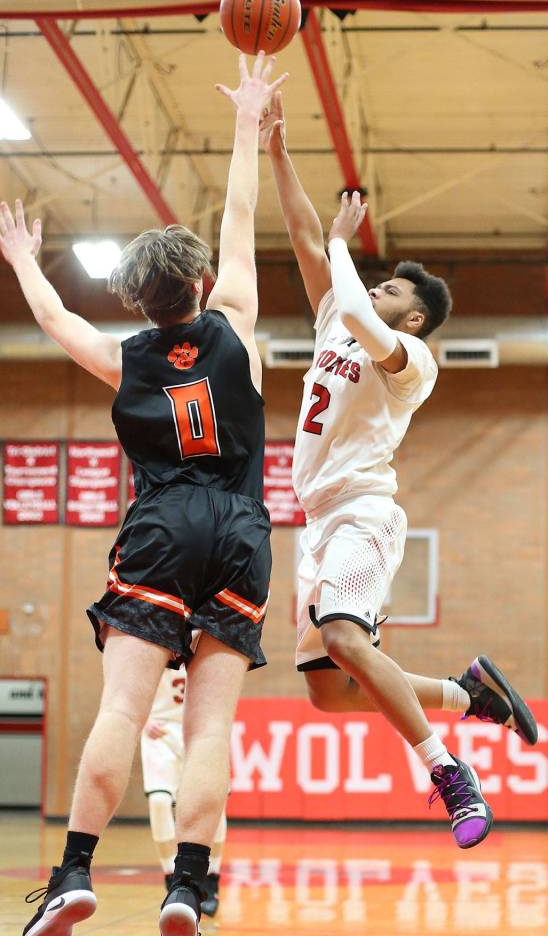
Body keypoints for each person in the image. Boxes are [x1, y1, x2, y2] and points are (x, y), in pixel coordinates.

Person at [6, 51, 285, 936]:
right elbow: (239, 214)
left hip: (160, 525)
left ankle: (75, 876)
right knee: (207, 730)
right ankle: (187, 888)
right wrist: (248, 118)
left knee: (124, 710)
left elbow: (54, 319)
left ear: (139, 299)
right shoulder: (235, 321)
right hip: (241, 528)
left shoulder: (119, 356)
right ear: (200, 286)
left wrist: (22, 257)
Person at [261, 92, 538, 850]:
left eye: (392, 292)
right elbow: (304, 240)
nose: (375, 292)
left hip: (363, 513)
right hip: (317, 522)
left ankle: (447, 770)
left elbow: (352, 305)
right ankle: (470, 696)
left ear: (413, 318)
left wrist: (349, 249)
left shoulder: (411, 359)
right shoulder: (336, 317)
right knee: (328, 695)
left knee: (348, 641)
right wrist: (275, 147)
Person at [141, 663, 226, 916]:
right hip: (161, 731)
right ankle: (171, 875)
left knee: (215, 802)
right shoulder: (153, 633)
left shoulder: (207, 633)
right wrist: (143, 720)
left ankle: (211, 878)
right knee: (158, 801)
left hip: (201, 728)